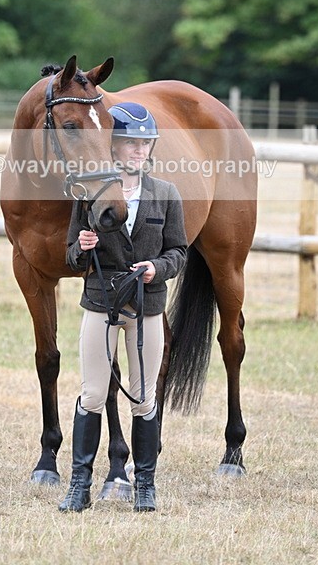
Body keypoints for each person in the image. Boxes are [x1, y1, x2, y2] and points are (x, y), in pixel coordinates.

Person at [59, 102, 187, 513]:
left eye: (144, 144)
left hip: (147, 308)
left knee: (143, 398)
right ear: (113, 147)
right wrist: (82, 246)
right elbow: (71, 256)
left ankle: (144, 483)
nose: (137, 151)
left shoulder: (166, 194)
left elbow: (179, 252)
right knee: (93, 393)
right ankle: (80, 483)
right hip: (101, 302)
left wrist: (158, 267)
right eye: (129, 143)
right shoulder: (90, 193)